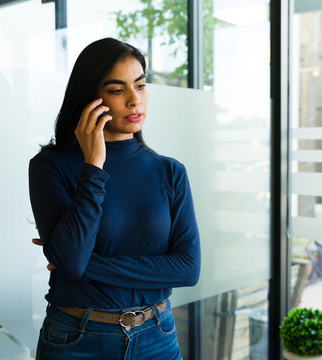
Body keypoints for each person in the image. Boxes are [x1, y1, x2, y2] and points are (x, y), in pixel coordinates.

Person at [28, 37, 201, 360]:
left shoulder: (170, 171)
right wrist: (93, 165)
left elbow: (187, 269)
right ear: (91, 97)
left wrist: (83, 266)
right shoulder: (50, 167)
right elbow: (72, 262)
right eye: (118, 90)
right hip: (76, 340)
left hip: (157, 337)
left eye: (140, 85)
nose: (135, 100)